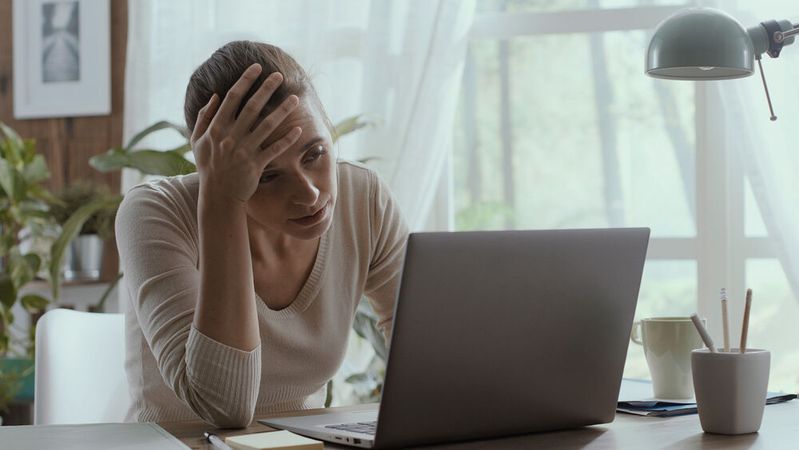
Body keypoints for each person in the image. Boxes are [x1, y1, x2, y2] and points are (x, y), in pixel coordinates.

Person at [116, 40, 409, 428]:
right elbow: (226, 407)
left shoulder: (364, 198)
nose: (309, 192)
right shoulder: (155, 213)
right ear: (214, 169)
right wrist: (222, 203)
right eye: (267, 176)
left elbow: (431, 343)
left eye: (315, 153)